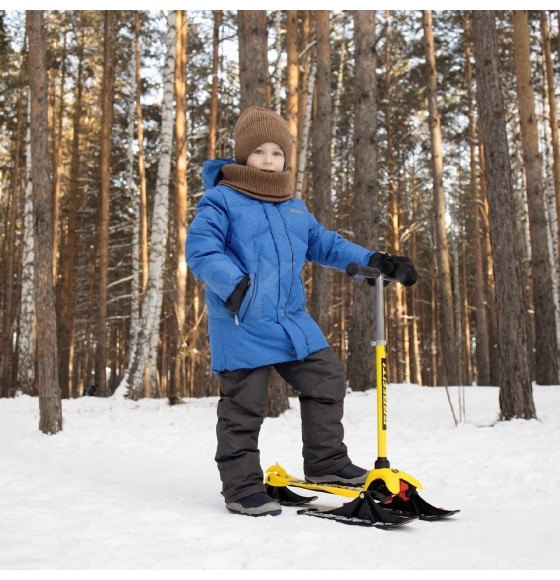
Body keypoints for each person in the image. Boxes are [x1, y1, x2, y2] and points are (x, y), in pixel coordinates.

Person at [186, 106, 417, 517]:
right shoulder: (220, 199)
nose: (270, 160)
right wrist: (238, 288)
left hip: (290, 320)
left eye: (278, 152)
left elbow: (324, 243)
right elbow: (201, 251)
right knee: (244, 407)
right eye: (260, 152)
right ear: (243, 156)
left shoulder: (292, 206)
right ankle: (241, 488)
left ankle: (326, 463)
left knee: (326, 377)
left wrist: (373, 260)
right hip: (242, 321)